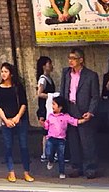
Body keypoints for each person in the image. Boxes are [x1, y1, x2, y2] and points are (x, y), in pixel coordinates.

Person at [56, 47, 100, 179]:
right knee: (73, 140)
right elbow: (63, 91)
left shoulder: (91, 75)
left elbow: (95, 96)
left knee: (87, 141)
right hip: (70, 108)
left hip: (84, 109)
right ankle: (76, 167)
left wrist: (91, 112)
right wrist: (61, 110)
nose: (70, 61)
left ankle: (90, 168)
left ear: (81, 60)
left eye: (73, 58)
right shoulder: (66, 73)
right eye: (69, 58)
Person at [0, 62, 33, 182]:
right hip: (6, 121)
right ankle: (11, 172)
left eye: (6, 71)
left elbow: (23, 103)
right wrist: (5, 120)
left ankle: (26, 172)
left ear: (11, 73)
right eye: (2, 72)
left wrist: (17, 117)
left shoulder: (18, 87)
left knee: (24, 146)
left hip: (20, 120)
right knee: (8, 146)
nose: (3, 74)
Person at [43, 95, 87, 178]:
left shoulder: (66, 116)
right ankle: (50, 160)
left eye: (54, 104)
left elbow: (74, 121)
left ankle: (62, 172)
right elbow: (47, 125)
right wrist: (44, 124)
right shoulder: (50, 116)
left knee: (61, 156)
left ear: (60, 107)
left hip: (61, 139)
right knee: (49, 152)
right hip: (51, 138)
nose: (52, 106)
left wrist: (83, 120)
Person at [35, 56, 55, 161]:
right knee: (46, 132)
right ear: (44, 66)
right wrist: (52, 95)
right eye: (49, 63)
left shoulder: (48, 78)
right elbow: (39, 94)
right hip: (45, 109)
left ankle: (50, 152)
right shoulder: (43, 79)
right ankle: (45, 153)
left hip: (49, 108)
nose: (51, 66)